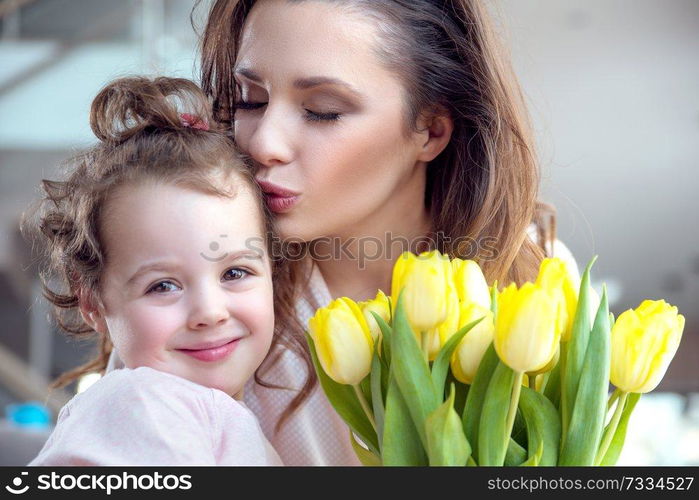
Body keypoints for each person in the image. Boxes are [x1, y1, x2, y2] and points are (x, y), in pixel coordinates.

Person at [194, 0, 583, 466]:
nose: (262, 142)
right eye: (251, 100)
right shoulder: (209, 295)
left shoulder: (532, 274)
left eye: (322, 110)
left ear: (430, 130)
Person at [22, 76, 282, 465]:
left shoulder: (196, 410)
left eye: (235, 273)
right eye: (163, 286)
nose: (211, 312)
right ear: (92, 302)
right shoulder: (142, 406)